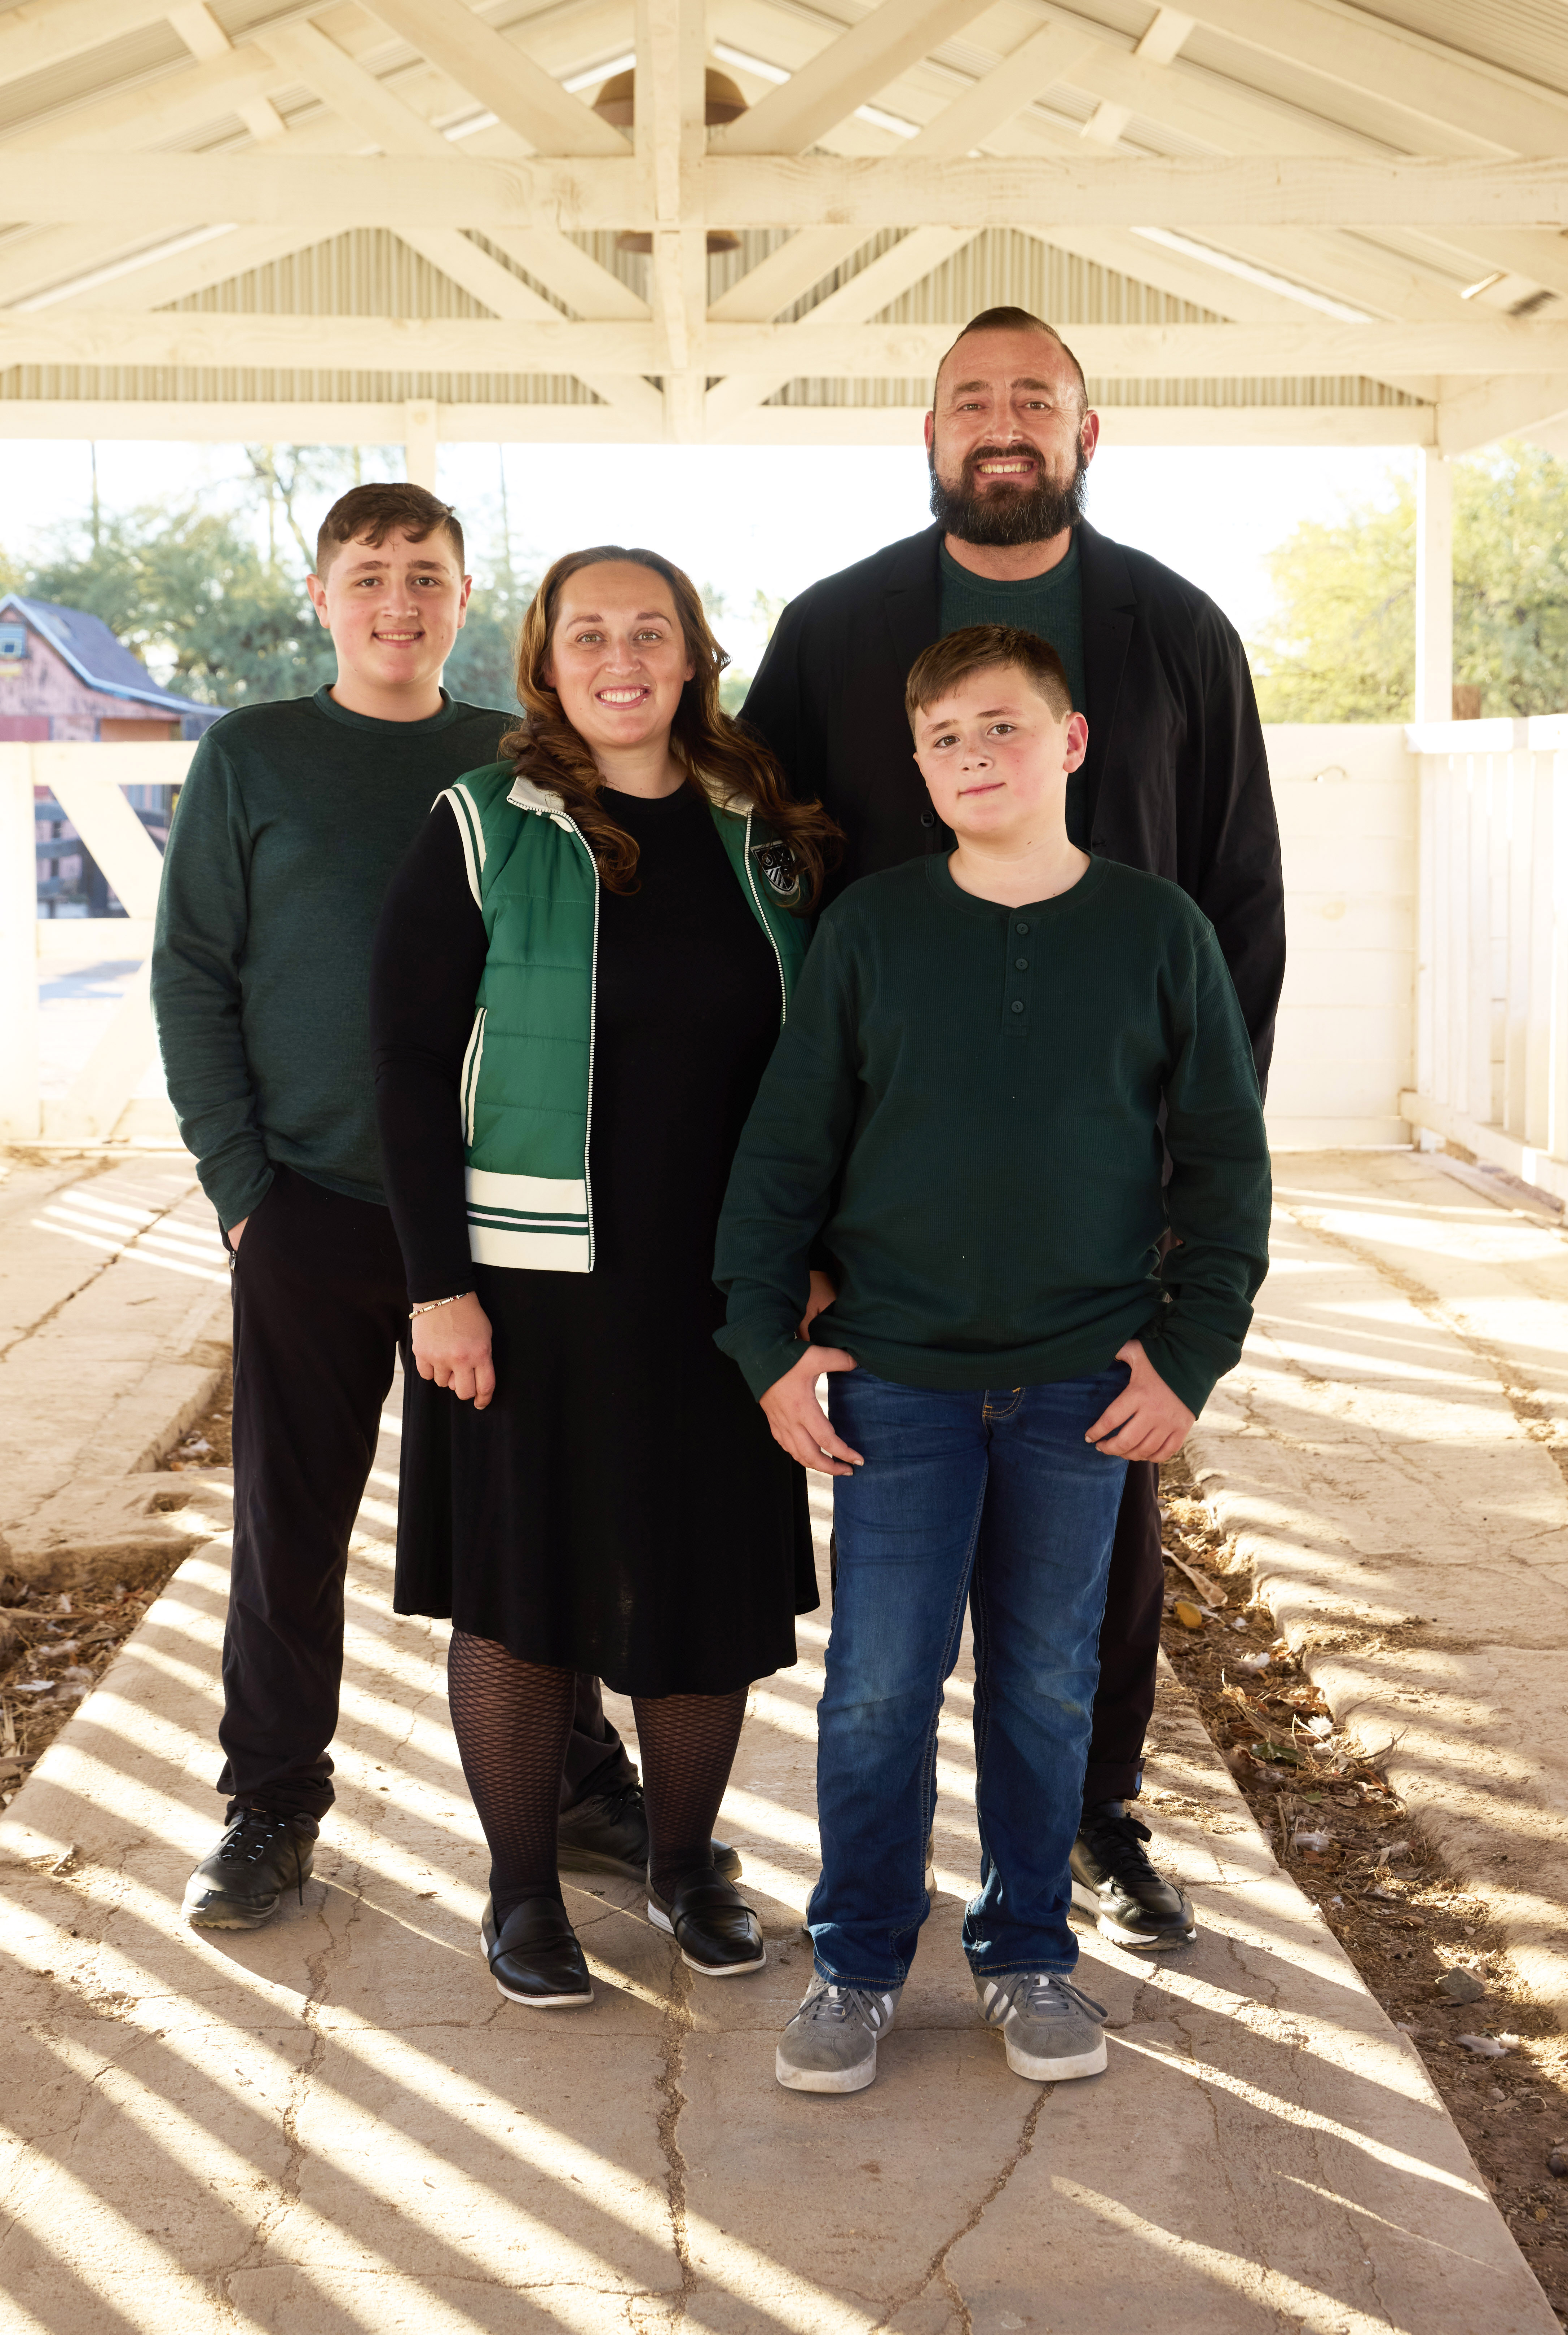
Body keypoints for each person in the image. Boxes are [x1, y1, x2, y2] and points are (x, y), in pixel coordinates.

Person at [740, 304, 1283, 1950]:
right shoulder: (835, 633)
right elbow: (758, 893)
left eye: (1033, 399)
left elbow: (1239, 915)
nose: (1002, 422)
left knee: (1098, 1553)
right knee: (885, 1633)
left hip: (1112, 1208)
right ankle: (855, 1906)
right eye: (970, 399)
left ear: (1085, 433)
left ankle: (1092, 1822)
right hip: (891, 1209)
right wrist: (809, 1229)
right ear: (927, 435)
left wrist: (1190, 1209)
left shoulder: (1176, 634)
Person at [715, 623, 1271, 2094]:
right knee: (881, 1688)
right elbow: (784, 1152)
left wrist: (1190, 1352)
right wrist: (769, 1344)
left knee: (1041, 1685)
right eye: (947, 736)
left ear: (1071, 743)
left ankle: (1029, 1949)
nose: (977, 755)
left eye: (1005, 728)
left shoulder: (1157, 932)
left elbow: (1224, 1163)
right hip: (894, 1376)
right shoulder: (876, 930)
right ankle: (854, 1964)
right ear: (918, 765)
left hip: (1083, 1387)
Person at [154, 482, 655, 1930]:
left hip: (491, 1223)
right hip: (306, 1205)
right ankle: (268, 1805)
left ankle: (568, 1777)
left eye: (425, 575)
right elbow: (195, 972)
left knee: (520, 1520)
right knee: (289, 1528)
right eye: (368, 575)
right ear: (321, 595)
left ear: (460, 597)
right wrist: (242, 1191)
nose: (397, 599)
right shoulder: (254, 756)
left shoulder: (517, 760)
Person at [371, 547, 837, 2007]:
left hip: (721, 1292)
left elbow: (825, 1064)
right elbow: (398, 1066)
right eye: (589, 634)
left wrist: (816, 1259)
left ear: (694, 653)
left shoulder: (763, 829)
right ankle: (520, 1895)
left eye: (651, 629)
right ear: (547, 664)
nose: (620, 655)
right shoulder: (481, 825)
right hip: (526, 1288)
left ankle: (684, 1862)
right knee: (521, 1595)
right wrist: (434, 1286)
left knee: (701, 1594)